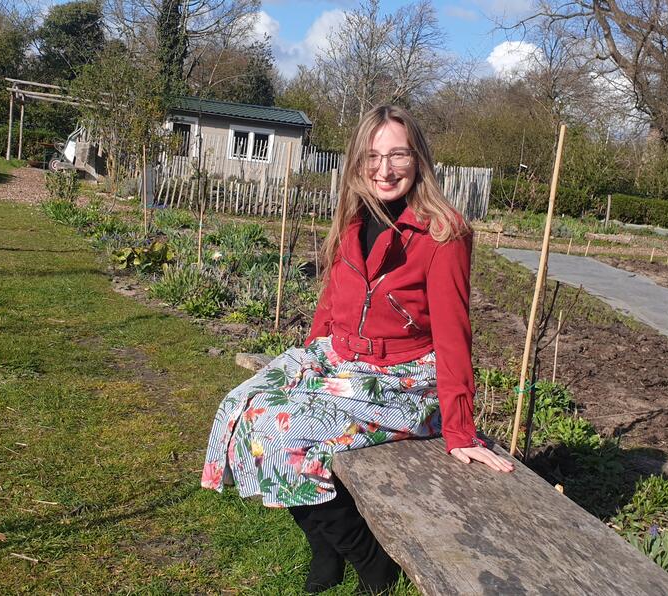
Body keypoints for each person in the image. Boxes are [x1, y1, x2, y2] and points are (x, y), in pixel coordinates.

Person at [201, 104, 514, 594]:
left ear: (419, 160)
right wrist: (308, 365)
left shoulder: (442, 232)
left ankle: (371, 561)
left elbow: (454, 333)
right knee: (238, 409)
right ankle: (326, 547)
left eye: (397, 155)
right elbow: (334, 295)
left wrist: (460, 431)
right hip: (338, 357)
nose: (384, 169)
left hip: (401, 379)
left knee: (279, 434)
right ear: (356, 161)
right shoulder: (353, 214)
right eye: (372, 156)